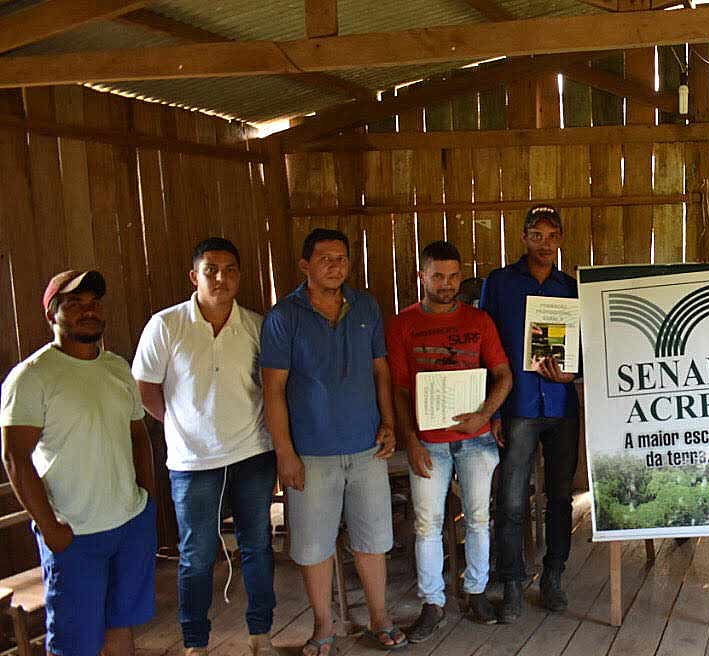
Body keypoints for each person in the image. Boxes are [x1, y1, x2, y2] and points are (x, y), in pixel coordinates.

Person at [260, 228, 405, 653]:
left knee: (373, 540)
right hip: (311, 454)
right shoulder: (284, 316)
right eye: (324, 258)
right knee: (313, 546)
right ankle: (323, 625)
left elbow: (381, 371)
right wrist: (285, 453)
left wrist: (389, 423)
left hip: (366, 447)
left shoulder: (365, 306)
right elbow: (273, 390)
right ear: (305, 266)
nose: (334, 265)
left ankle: (379, 617)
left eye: (341, 258)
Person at [1, 270, 157, 656]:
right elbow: (15, 457)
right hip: (74, 532)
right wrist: (50, 527)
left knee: (122, 626)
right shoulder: (32, 377)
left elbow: (138, 437)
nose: (88, 311)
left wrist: (146, 500)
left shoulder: (117, 368)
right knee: (75, 642)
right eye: (74, 304)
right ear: (52, 314)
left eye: (94, 303)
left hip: (128, 523)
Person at [132, 238, 276, 656]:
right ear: (194, 276)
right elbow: (146, 388)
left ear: (240, 277)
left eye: (230, 269)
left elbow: (270, 387)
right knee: (196, 554)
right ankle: (195, 643)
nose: (221, 277)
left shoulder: (255, 325)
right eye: (211, 269)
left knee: (256, 545)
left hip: (252, 452)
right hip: (192, 460)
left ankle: (260, 634)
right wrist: (181, 425)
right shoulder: (166, 324)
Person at [388, 241, 513, 641]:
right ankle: (433, 603)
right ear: (421, 276)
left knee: (478, 518)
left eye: (453, 275)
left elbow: (503, 375)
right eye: (437, 275)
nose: (446, 284)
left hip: (475, 438)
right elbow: (400, 388)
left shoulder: (479, 320)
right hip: (428, 443)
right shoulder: (401, 324)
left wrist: (486, 415)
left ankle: (475, 590)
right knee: (428, 525)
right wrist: (411, 439)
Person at [480, 204, 579, 623]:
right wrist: (493, 410)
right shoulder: (499, 284)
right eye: (535, 235)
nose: (543, 243)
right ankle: (514, 584)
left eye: (551, 235)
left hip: (560, 405)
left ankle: (553, 576)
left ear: (560, 239)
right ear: (523, 238)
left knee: (560, 497)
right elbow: (484, 348)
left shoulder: (572, 287)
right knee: (512, 500)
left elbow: (587, 345)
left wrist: (571, 373)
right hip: (516, 406)